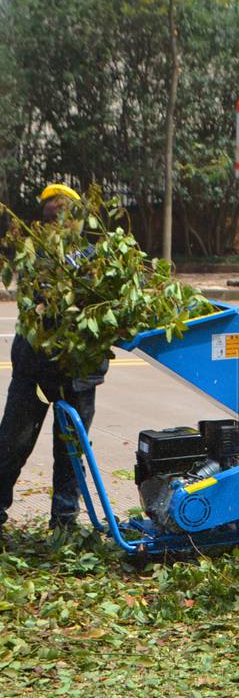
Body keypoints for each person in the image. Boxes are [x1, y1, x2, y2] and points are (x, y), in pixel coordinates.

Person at [0, 184, 108, 543]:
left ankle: (64, 524)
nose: (55, 224)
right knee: (12, 445)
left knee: (71, 453)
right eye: (48, 217)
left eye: (61, 216)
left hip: (78, 374)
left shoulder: (95, 259)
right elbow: (38, 302)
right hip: (34, 369)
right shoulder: (35, 258)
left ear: (77, 220)